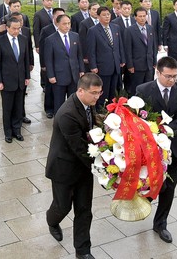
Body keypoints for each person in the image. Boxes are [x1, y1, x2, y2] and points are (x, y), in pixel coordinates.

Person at [46, 73, 103, 259]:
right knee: (62, 207)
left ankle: (83, 251)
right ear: (80, 90)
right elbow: (80, 148)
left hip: (83, 168)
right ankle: (51, 220)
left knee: (84, 210)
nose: (97, 97)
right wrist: (105, 167)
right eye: (93, 93)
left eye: (99, 93)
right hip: (64, 168)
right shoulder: (67, 114)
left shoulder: (88, 105)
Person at [135, 56, 177, 244]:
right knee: (151, 182)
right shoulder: (143, 90)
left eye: (175, 76)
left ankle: (161, 224)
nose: (172, 80)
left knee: (169, 188)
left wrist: (165, 131)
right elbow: (138, 119)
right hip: (151, 147)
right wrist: (154, 134)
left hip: (174, 147)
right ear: (158, 72)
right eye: (168, 76)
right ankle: (142, 205)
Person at [0, 17, 30, 143]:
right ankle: (8, 133)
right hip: (6, 81)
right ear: (7, 28)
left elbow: (25, 60)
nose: (16, 31)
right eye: (14, 28)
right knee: (7, 108)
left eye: (18, 28)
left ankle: (17, 130)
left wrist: (27, 77)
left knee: (19, 107)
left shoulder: (23, 39)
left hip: (20, 80)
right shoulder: (0, 42)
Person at [44, 14, 85, 113]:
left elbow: (79, 55)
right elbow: (48, 60)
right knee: (59, 102)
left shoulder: (75, 36)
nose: (67, 26)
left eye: (69, 23)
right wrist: (51, 75)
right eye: (64, 24)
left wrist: (81, 70)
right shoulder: (50, 39)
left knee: (73, 100)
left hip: (73, 75)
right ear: (57, 24)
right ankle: (59, 122)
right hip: (59, 76)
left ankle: (72, 120)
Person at [86, 6, 125, 105]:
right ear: (98, 17)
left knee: (114, 90)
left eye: (108, 14)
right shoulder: (93, 30)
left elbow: (120, 45)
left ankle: (112, 109)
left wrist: (122, 59)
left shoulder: (115, 27)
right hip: (102, 66)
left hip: (115, 64)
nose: (107, 17)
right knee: (103, 91)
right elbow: (91, 50)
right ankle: (101, 110)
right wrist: (93, 66)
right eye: (104, 15)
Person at [39, 8, 66, 118]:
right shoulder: (46, 30)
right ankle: (49, 109)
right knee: (50, 88)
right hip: (50, 64)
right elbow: (42, 48)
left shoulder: (67, 28)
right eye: (58, 16)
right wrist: (43, 65)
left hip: (62, 64)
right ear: (53, 17)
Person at [125, 7, 158, 93]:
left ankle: (147, 106)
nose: (142, 18)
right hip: (136, 66)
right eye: (140, 16)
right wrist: (130, 65)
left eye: (144, 16)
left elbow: (153, 46)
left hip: (149, 64)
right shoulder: (130, 30)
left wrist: (154, 61)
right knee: (137, 88)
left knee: (149, 88)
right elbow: (128, 49)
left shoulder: (150, 28)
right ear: (135, 17)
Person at [11, 12, 34, 124]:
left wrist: (31, 62)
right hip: (11, 71)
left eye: (22, 19)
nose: (21, 22)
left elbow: (29, 48)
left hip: (23, 67)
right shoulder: (8, 32)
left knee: (22, 94)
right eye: (18, 20)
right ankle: (12, 116)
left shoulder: (26, 30)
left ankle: (22, 115)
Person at [111, 0, 136, 92]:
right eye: (124, 8)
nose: (127, 10)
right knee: (118, 81)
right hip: (119, 55)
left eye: (129, 8)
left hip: (133, 56)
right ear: (120, 9)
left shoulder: (135, 21)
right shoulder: (114, 22)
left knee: (131, 80)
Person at [33, 0, 54, 88]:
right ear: (43, 2)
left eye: (51, 0)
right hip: (44, 43)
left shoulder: (55, 13)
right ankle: (44, 83)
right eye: (47, 1)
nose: (49, 2)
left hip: (55, 42)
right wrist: (37, 45)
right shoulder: (38, 14)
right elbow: (36, 31)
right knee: (45, 63)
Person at [78, 2, 100, 72]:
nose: (96, 11)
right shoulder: (84, 23)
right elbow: (82, 41)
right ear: (89, 11)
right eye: (94, 9)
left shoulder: (103, 21)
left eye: (98, 9)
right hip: (90, 55)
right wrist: (85, 56)